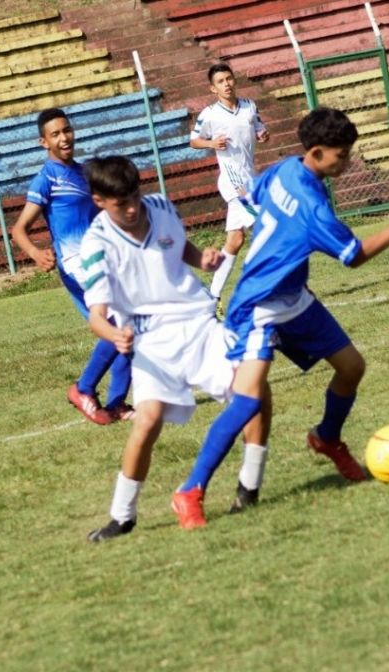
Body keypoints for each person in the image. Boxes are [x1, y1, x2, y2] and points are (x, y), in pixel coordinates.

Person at [170, 107, 389, 529]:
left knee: (351, 367)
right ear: (316, 152)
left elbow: (257, 200)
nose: (346, 162)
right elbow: (354, 257)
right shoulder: (314, 209)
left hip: (293, 295)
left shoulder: (283, 168)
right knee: (247, 401)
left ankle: (326, 438)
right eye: (341, 155)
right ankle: (190, 490)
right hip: (258, 305)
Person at [78, 156, 272, 541]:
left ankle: (249, 488)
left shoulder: (162, 206)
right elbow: (96, 315)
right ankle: (122, 516)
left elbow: (178, 247)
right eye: (121, 204)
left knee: (255, 391)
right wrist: (114, 335)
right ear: (99, 201)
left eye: (135, 197)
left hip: (199, 323)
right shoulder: (96, 245)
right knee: (147, 421)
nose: (133, 209)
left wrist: (202, 258)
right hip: (151, 340)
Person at [10, 108, 132, 426]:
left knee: (131, 322)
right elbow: (19, 228)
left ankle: (117, 404)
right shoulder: (46, 178)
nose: (64, 138)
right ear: (43, 142)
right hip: (75, 264)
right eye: (55, 134)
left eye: (67, 130)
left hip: (102, 259)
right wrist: (36, 254)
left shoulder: (85, 172)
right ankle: (83, 389)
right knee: (118, 323)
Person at [189, 63, 270, 312]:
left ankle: (211, 297)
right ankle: (268, 288)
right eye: (221, 81)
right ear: (213, 88)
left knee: (235, 240)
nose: (226, 84)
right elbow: (193, 141)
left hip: (250, 176)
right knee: (267, 227)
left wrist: (263, 134)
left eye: (229, 78)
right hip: (234, 182)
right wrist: (211, 142)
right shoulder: (210, 114)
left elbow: (259, 127)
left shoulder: (249, 106)